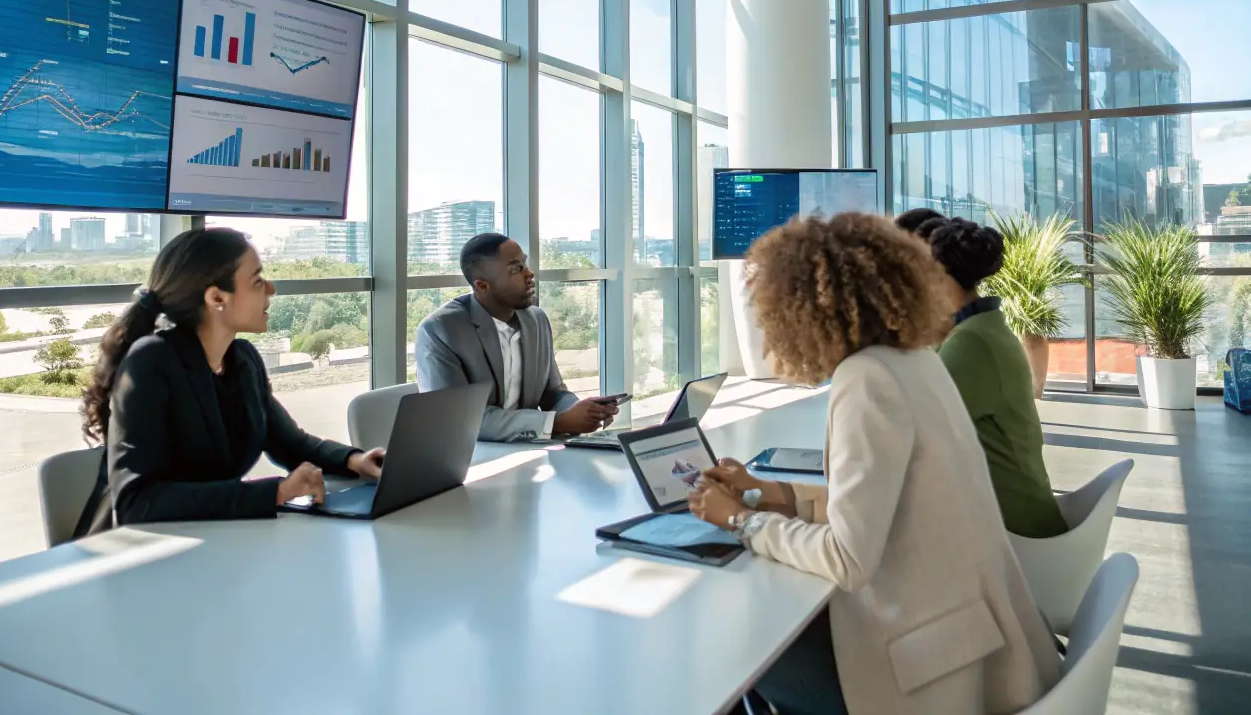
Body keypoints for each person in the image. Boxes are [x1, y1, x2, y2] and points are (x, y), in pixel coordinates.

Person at [688, 213, 1060, 715]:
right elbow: (892, 499)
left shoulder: (866, 379)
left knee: (737, 651)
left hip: (926, 664)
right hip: (972, 633)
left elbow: (848, 560)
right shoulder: (915, 360)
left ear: (799, 309)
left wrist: (741, 520)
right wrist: (775, 493)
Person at [73, 228, 384, 537]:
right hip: (130, 558)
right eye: (258, 281)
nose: (271, 289)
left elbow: (290, 443)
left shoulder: (243, 361)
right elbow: (136, 503)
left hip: (208, 544)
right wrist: (275, 493)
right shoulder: (150, 362)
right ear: (216, 297)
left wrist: (354, 460)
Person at [896, 213, 1067, 540]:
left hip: (1013, 536)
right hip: (1019, 515)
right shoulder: (985, 327)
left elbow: (913, 432)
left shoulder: (971, 344)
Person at [414, 233, 619, 442]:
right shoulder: (440, 330)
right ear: (482, 286)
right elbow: (461, 420)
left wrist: (582, 411)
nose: (529, 273)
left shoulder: (536, 320)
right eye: (516, 269)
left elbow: (553, 392)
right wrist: (557, 422)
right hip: (469, 455)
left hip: (527, 451)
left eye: (525, 264)